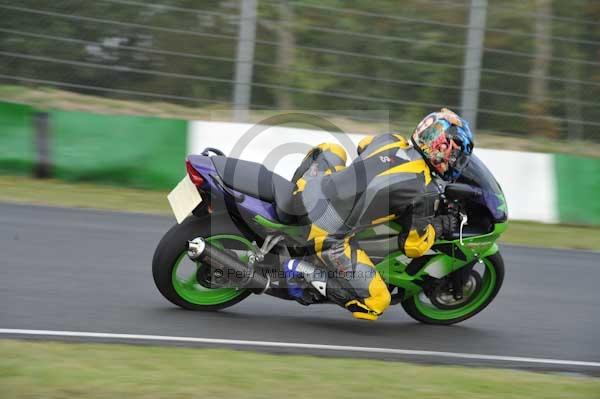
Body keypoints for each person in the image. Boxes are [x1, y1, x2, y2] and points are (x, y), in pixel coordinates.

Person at [285, 108, 474, 320]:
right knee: (376, 302)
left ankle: (284, 207)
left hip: (308, 188)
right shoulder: (424, 190)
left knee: (332, 149)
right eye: (455, 155)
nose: (455, 162)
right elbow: (413, 246)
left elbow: (363, 145)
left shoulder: (392, 139)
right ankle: (302, 272)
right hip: (323, 230)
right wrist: (445, 224)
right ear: (440, 148)